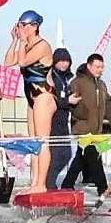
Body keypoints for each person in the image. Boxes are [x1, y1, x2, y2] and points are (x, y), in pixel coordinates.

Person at [3, 10, 54, 194]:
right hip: (30, 97)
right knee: (33, 142)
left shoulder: (42, 45)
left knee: (42, 141)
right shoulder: (26, 44)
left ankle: (42, 184)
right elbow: (9, 62)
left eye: (24, 26)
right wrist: (15, 40)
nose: (21, 29)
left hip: (44, 95)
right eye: (19, 25)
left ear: (34, 26)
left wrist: (23, 41)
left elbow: (23, 62)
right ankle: (34, 183)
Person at [61, 53, 111, 194]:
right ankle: (103, 188)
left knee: (81, 158)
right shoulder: (78, 82)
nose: (100, 70)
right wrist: (83, 114)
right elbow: (72, 103)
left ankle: (67, 184)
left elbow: (108, 105)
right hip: (82, 127)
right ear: (89, 66)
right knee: (93, 156)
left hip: (95, 128)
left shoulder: (101, 85)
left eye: (102, 67)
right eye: (97, 66)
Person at [45, 48, 75, 190]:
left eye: (67, 61)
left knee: (66, 154)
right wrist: (67, 101)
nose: (64, 64)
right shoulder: (52, 77)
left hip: (64, 120)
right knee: (57, 155)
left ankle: (50, 181)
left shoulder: (67, 79)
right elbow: (52, 100)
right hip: (53, 120)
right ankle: (49, 183)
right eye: (61, 61)